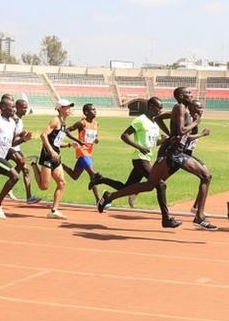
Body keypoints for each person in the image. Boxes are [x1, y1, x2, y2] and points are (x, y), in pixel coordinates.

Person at [97, 87, 214, 230]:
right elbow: (181, 131)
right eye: (188, 93)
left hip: (176, 153)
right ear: (181, 96)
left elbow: (161, 121)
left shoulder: (184, 111)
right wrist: (196, 124)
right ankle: (199, 216)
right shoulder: (179, 108)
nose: (191, 94)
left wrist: (172, 134)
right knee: (205, 176)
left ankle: (110, 196)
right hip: (173, 154)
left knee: (150, 185)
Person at [89, 96, 177, 222]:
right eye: (159, 108)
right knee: (160, 184)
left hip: (146, 158)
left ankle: (102, 181)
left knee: (126, 188)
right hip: (139, 158)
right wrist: (139, 147)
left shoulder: (155, 123)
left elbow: (151, 142)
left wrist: (161, 141)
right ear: (151, 107)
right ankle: (166, 218)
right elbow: (124, 135)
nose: (161, 111)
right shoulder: (140, 120)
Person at [63, 103, 122, 205]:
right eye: (93, 110)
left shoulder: (96, 123)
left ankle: (60, 164)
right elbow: (66, 130)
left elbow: (93, 135)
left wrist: (95, 139)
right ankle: (99, 200)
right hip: (82, 151)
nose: (95, 111)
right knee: (94, 175)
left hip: (89, 152)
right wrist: (77, 141)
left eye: (95, 109)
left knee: (74, 176)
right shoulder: (81, 123)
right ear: (86, 112)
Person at [31, 99, 78, 219]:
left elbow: (56, 142)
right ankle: (33, 164)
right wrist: (51, 151)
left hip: (56, 156)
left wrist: (68, 145)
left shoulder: (63, 123)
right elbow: (43, 135)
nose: (69, 109)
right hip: (48, 155)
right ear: (60, 108)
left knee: (62, 183)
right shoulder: (56, 120)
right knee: (43, 186)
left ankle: (54, 211)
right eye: (67, 107)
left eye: (69, 107)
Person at [5, 99, 41, 204]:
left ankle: (28, 197)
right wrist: (22, 137)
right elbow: (9, 136)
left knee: (24, 169)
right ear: (17, 107)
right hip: (8, 148)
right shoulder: (13, 119)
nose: (26, 109)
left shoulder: (19, 120)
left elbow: (15, 135)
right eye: (23, 107)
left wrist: (22, 134)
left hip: (16, 148)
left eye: (26, 107)